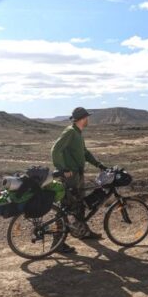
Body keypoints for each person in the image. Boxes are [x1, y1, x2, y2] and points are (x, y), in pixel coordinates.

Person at [51, 107, 106, 253]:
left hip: (78, 175)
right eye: (87, 117)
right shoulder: (70, 132)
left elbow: (85, 153)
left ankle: (83, 232)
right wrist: (62, 168)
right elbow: (55, 150)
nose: (88, 120)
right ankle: (57, 243)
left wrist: (98, 164)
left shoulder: (78, 133)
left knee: (80, 205)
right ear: (82, 119)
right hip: (71, 176)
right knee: (65, 208)